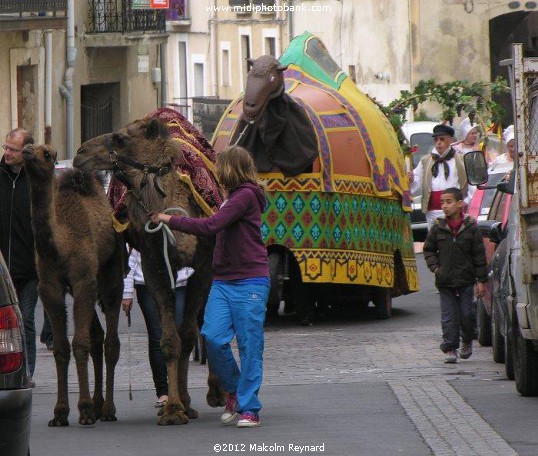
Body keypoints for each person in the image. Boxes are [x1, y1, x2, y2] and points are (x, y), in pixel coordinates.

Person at [150, 145, 270, 428]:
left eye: (220, 166)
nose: (215, 171)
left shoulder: (246, 195)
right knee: (212, 337)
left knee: (250, 345)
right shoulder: (231, 198)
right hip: (224, 281)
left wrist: (169, 219)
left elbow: (211, 226)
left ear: (231, 169)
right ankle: (233, 391)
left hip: (250, 280)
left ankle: (250, 408)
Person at [121, 248, 193, 408]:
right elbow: (131, 256)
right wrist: (127, 292)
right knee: (156, 336)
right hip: (147, 285)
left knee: (178, 333)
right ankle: (163, 392)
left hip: (179, 284)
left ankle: (179, 389)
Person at [423, 187, 488, 364]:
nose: (444, 206)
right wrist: (436, 268)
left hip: (466, 280)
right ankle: (450, 348)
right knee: (449, 316)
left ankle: (467, 339)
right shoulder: (438, 228)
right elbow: (428, 250)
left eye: (449, 202)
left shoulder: (471, 228)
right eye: (442, 202)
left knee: (467, 314)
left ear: (460, 204)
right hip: (445, 281)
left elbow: (479, 256)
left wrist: (481, 281)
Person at [0, 128, 38, 380]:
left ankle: (27, 373)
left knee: (25, 322)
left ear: (26, 153)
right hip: (3, 269)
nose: (7, 153)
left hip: (31, 268)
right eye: (6, 147)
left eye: (13, 149)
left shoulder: (37, 180)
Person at [408, 124, 473, 228]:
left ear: (450, 140)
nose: (438, 143)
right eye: (436, 140)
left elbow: (472, 185)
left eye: (442, 139)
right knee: (435, 240)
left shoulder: (461, 160)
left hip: (455, 211)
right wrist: (410, 180)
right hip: (432, 212)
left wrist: (464, 202)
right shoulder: (425, 161)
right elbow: (418, 186)